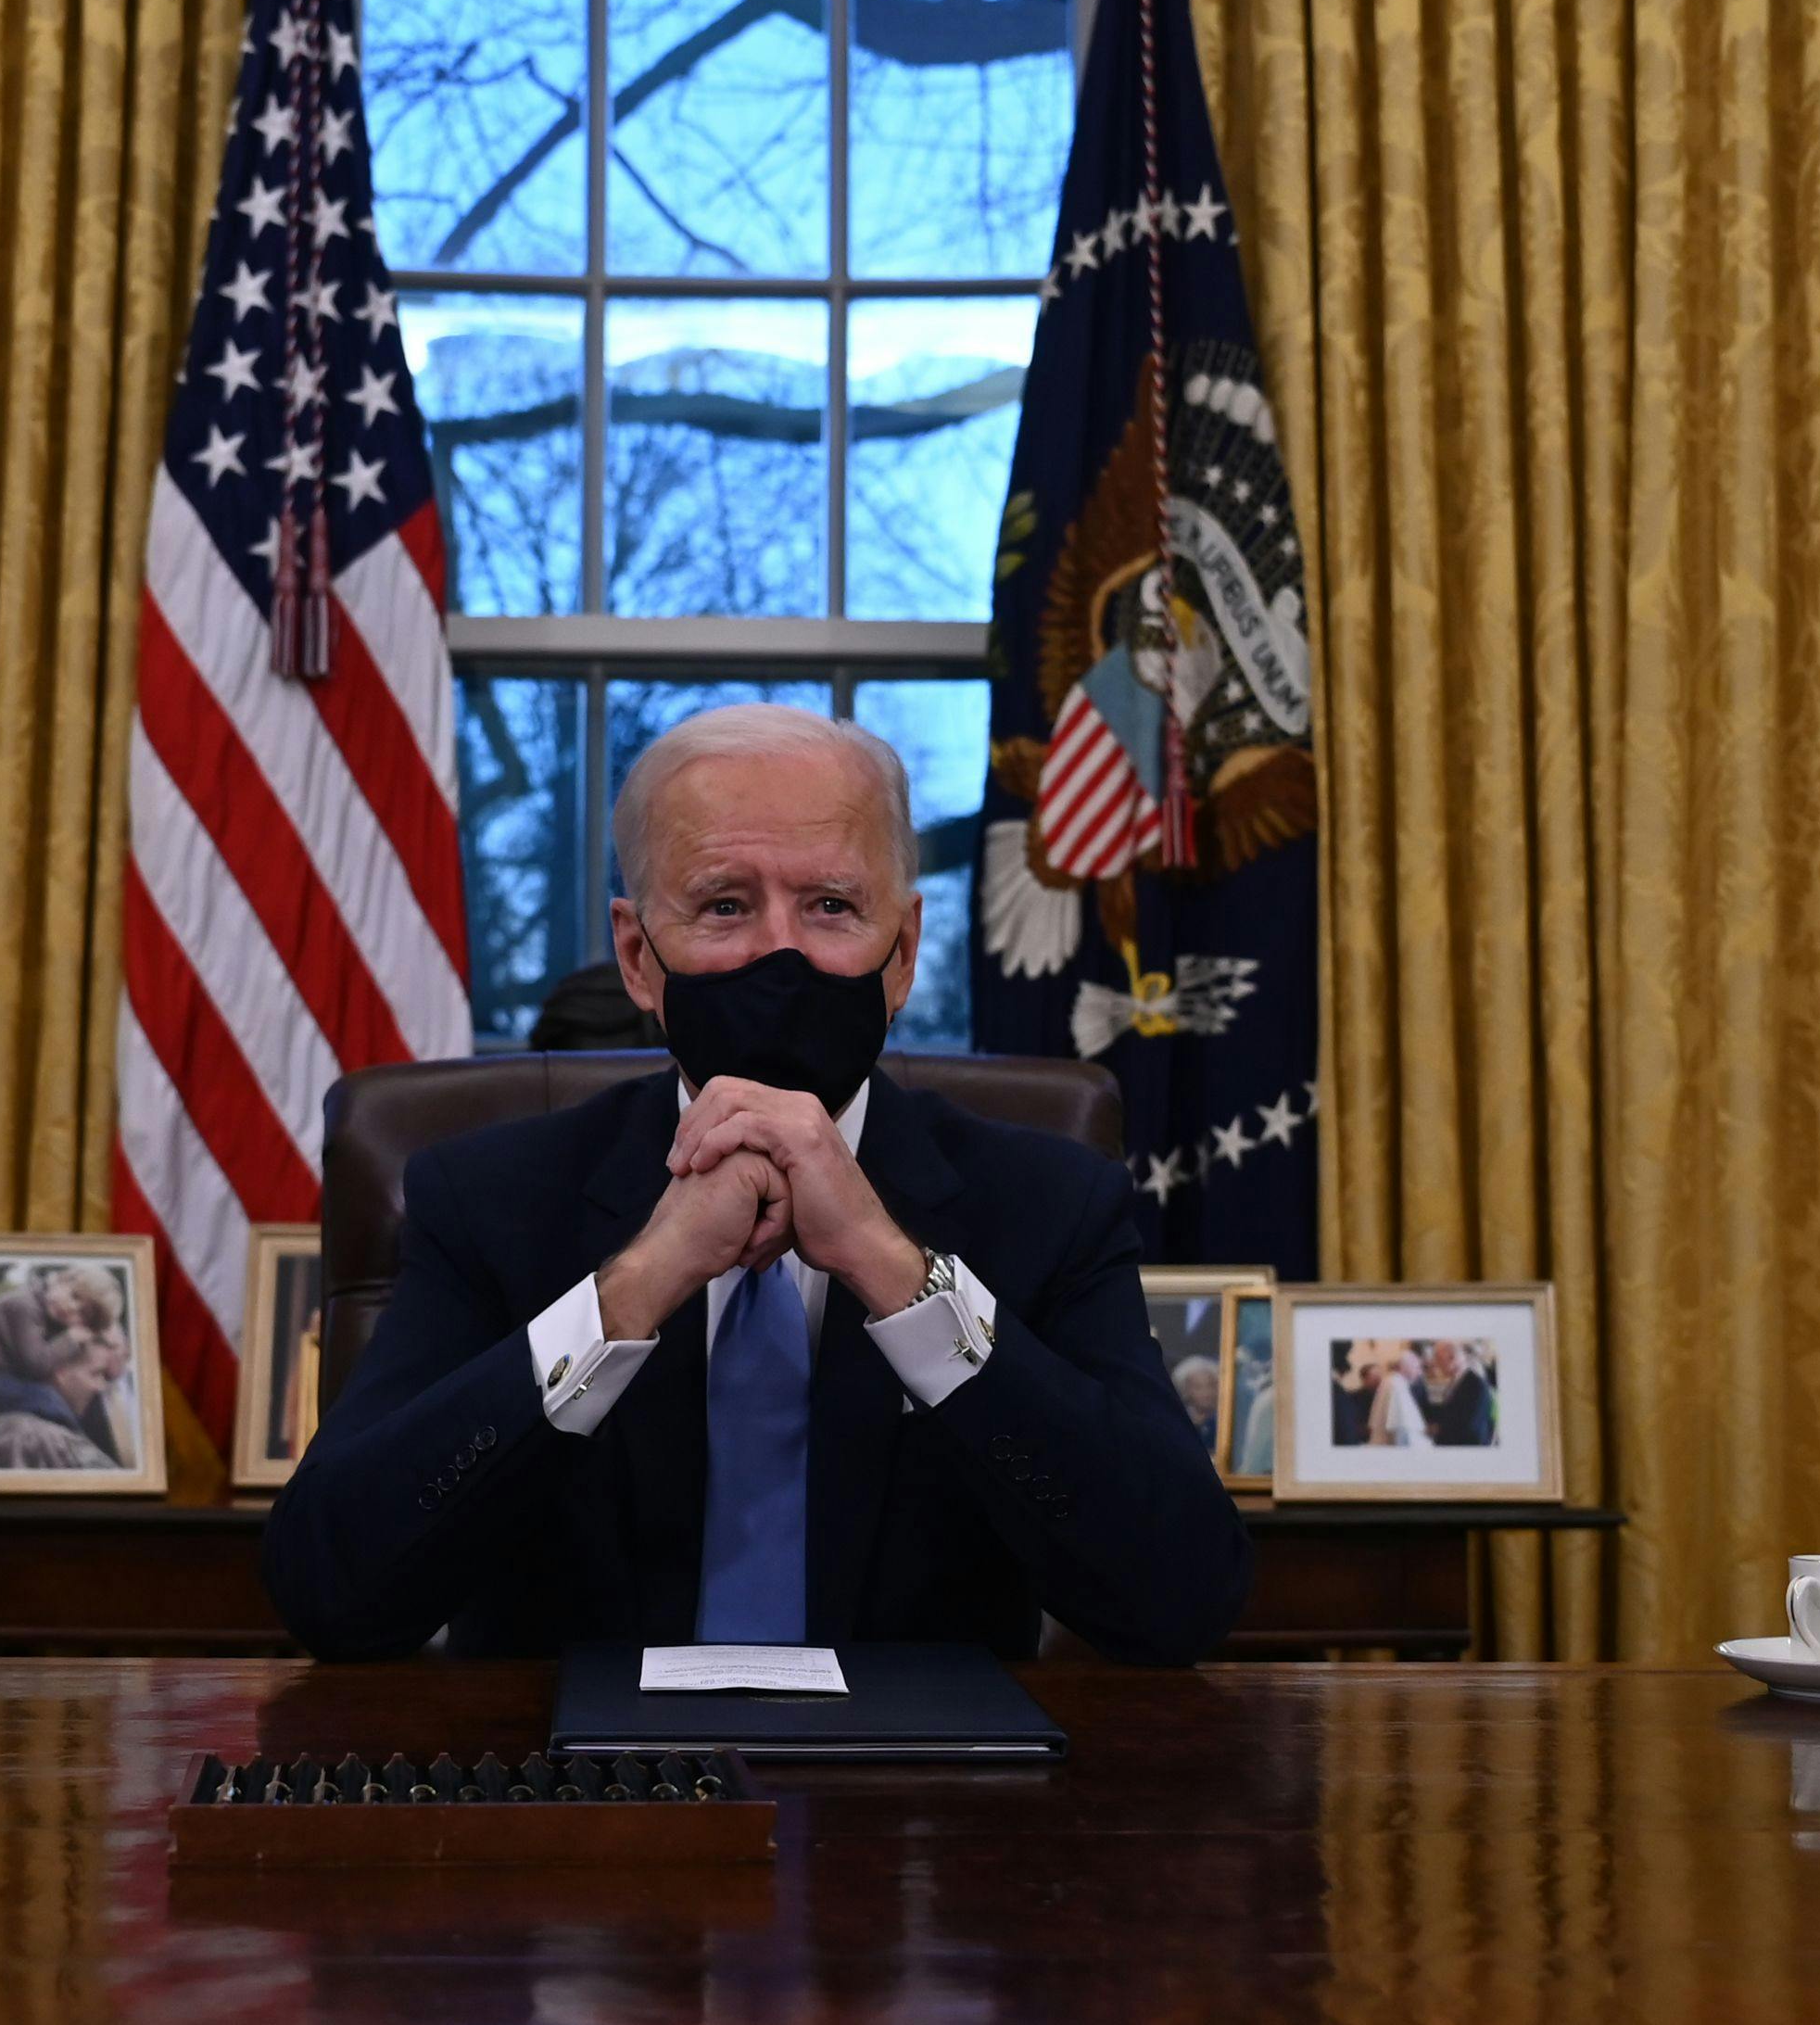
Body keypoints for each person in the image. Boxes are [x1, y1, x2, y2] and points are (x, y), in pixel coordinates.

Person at [261, 703, 1251, 1661]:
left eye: (831, 907)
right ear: (638, 957)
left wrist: (896, 1272)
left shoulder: (1047, 1204)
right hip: (581, 1769)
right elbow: (332, 1590)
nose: (781, 953)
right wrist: (633, 1288)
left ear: (903, 953)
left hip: (921, 1770)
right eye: (725, 905)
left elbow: (1180, 1599)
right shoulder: (490, 1200)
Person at [0, 1263, 132, 1471]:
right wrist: (70, 1339)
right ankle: (75, 1437)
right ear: (61, 1280)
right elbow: (36, 1365)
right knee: (47, 1399)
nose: (72, 1308)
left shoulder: (41, 1310)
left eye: (82, 1314)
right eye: (74, 1296)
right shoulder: (24, 1306)